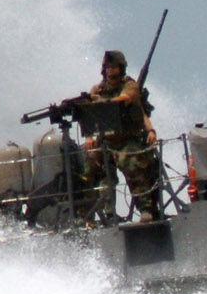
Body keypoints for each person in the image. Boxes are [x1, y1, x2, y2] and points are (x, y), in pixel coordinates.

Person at [70, 49, 163, 222]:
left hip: (127, 140)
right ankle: (92, 214)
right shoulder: (97, 89)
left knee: (134, 167)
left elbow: (126, 99)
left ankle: (146, 209)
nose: (110, 70)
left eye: (114, 67)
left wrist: (102, 102)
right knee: (88, 171)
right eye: (107, 67)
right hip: (105, 141)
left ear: (121, 68)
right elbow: (88, 112)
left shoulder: (129, 85)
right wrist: (89, 136)